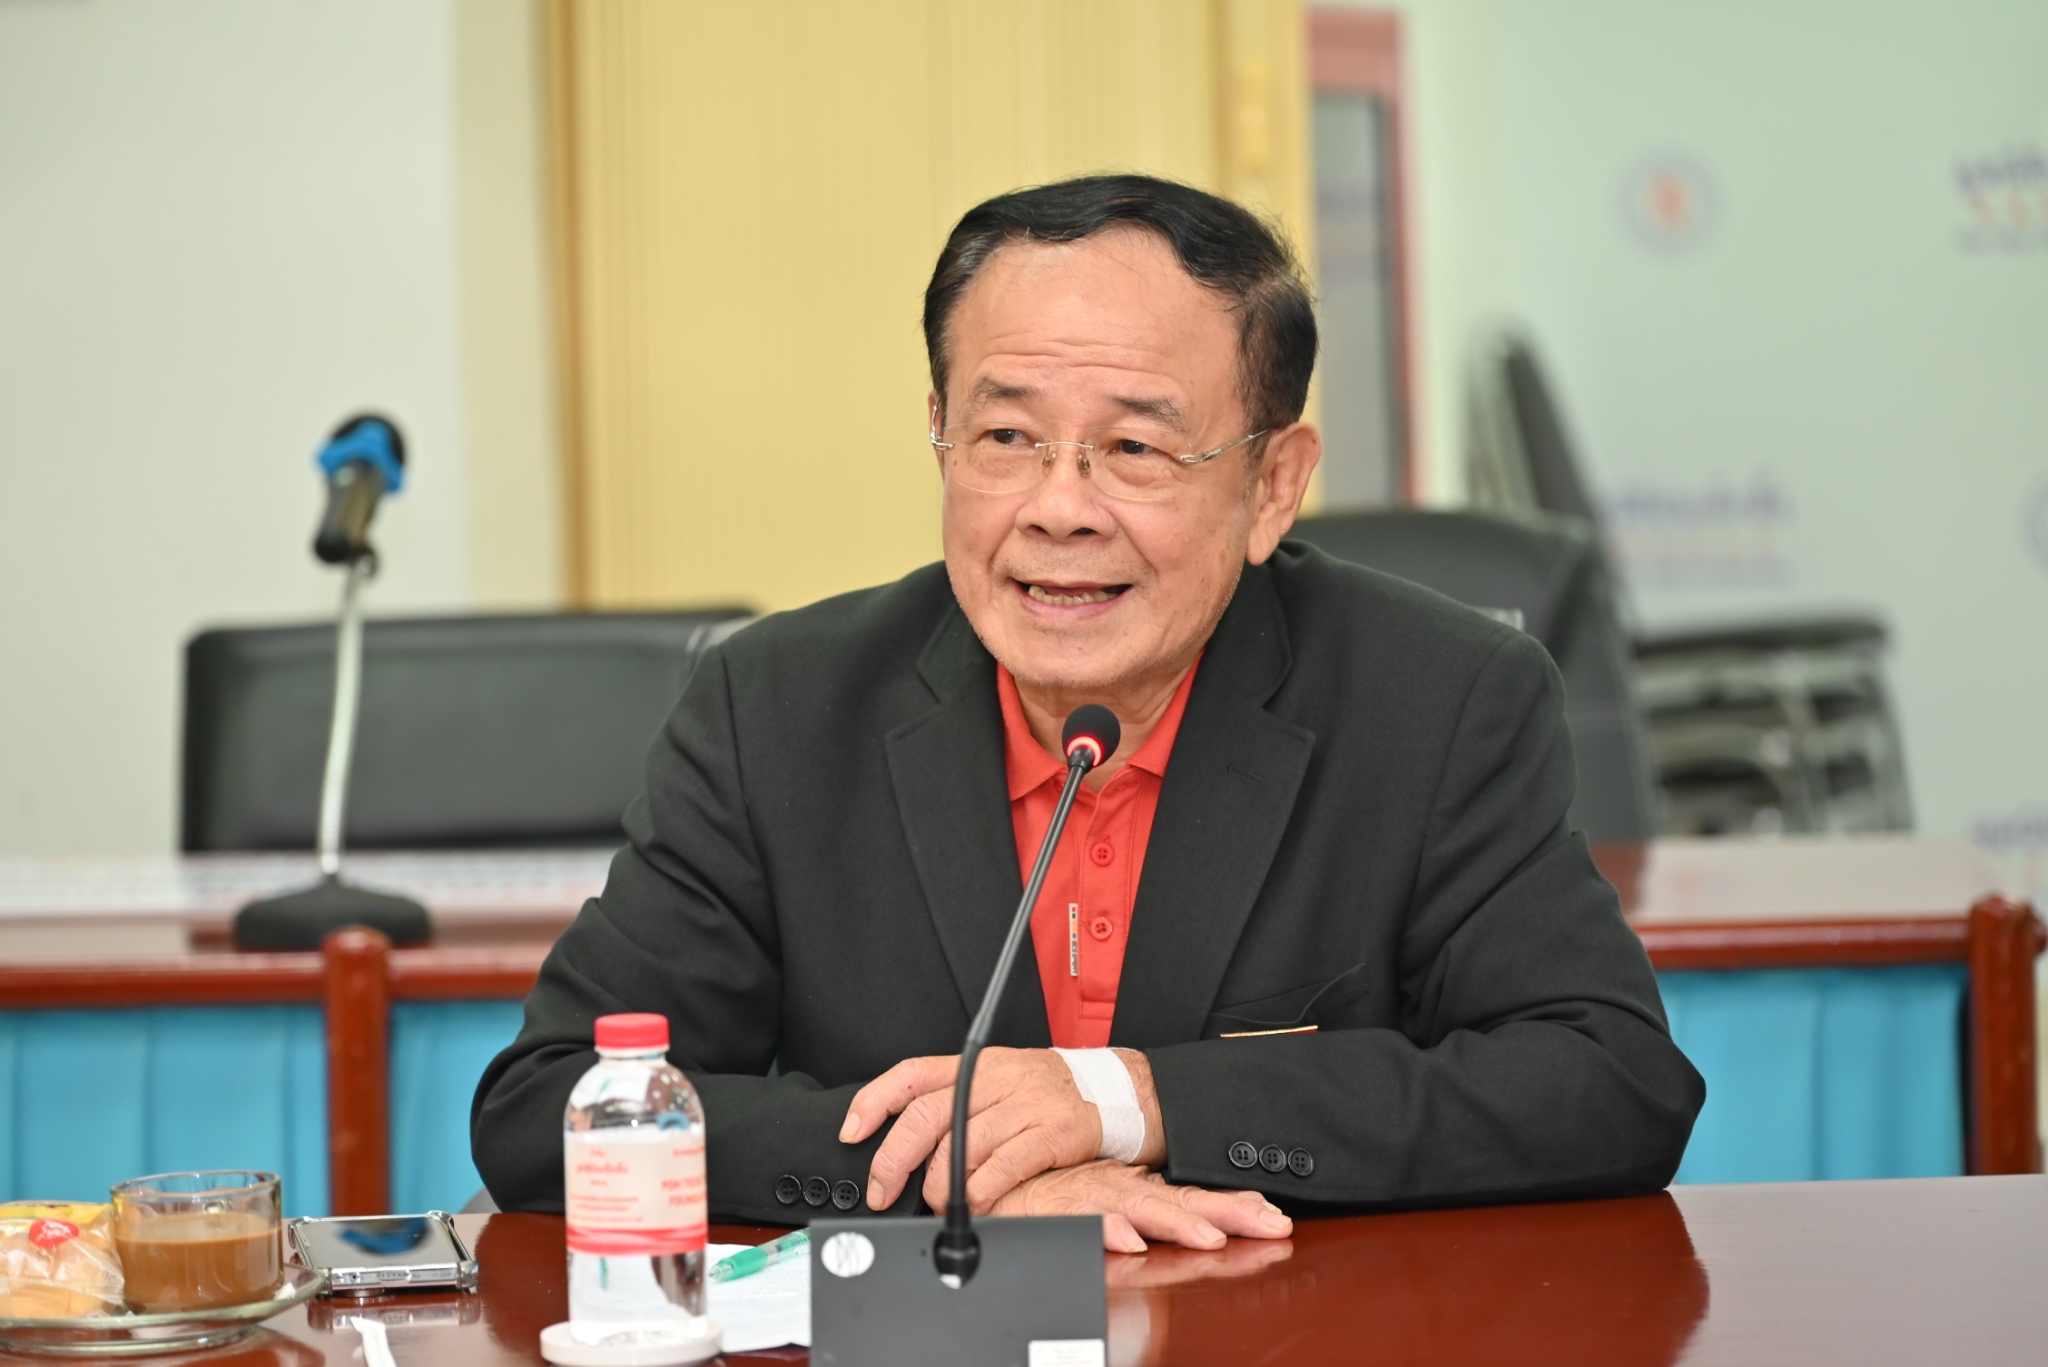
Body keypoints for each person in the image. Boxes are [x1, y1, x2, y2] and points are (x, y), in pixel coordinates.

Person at [473, 174, 1703, 1253]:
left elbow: (1605, 1081)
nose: (1057, 508)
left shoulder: (1433, 700)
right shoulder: (777, 710)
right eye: (1004, 435)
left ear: (1272, 485)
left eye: (1132, 450)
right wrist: (965, 1167)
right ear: (940, 437)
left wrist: (1131, 1102)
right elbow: (551, 1105)